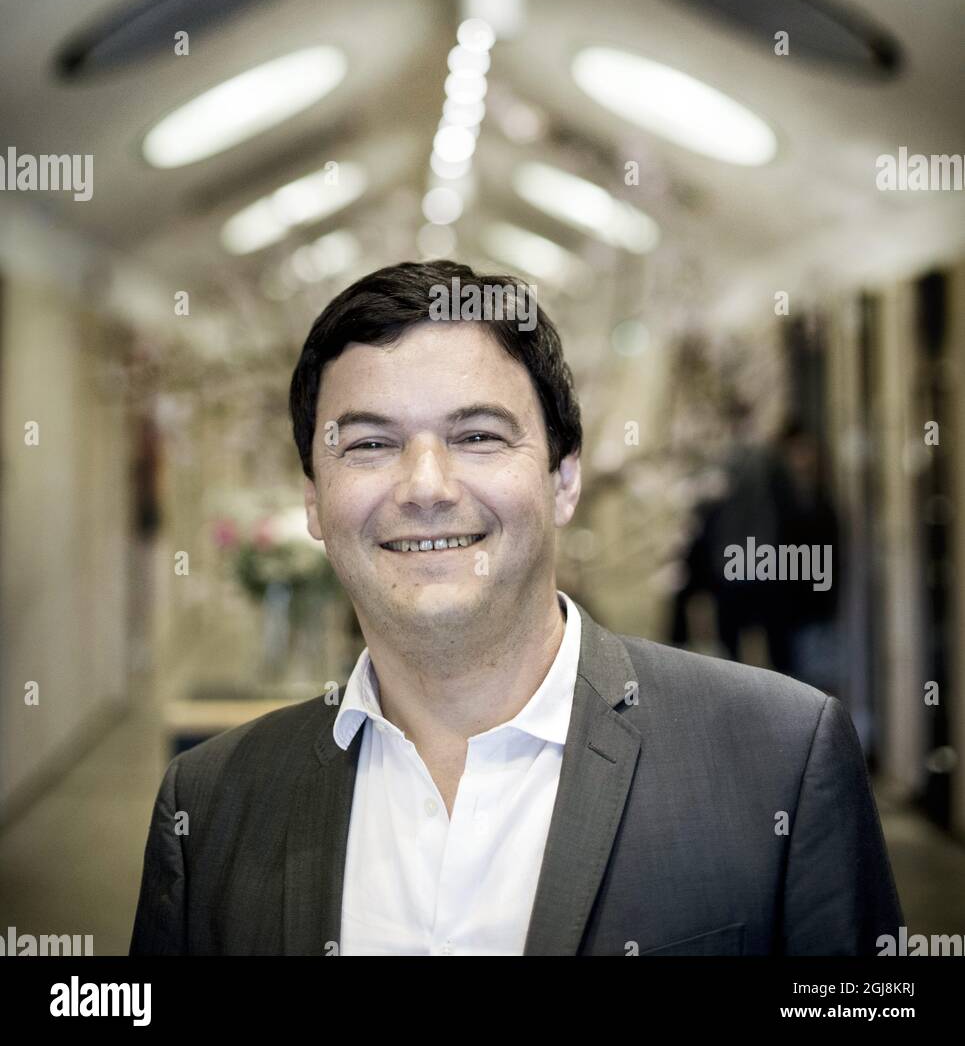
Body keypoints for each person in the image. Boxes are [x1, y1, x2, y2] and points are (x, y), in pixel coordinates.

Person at [129, 259, 902, 956]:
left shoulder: (776, 762)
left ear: (564, 480)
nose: (425, 486)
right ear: (312, 501)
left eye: (477, 435)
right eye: (368, 445)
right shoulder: (209, 808)